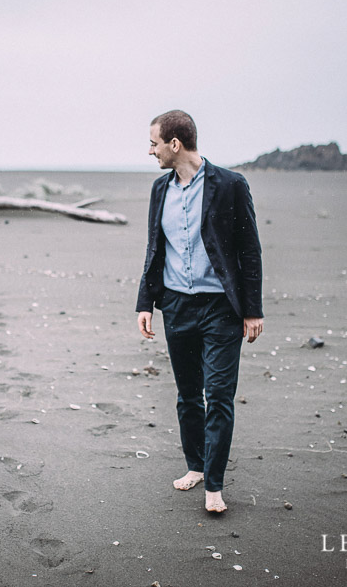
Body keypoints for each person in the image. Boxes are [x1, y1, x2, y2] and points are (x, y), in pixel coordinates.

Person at [136, 110, 264, 513]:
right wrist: (146, 303)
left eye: (154, 142)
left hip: (221, 308)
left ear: (175, 144)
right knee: (188, 395)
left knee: (220, 396)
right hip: (176, 305)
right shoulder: (160, 189)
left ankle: (214, 485)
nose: (150, 150)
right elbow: (154, 247)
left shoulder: (230, 184)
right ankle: (195, 465)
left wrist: (253, 310)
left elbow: (250, 250)